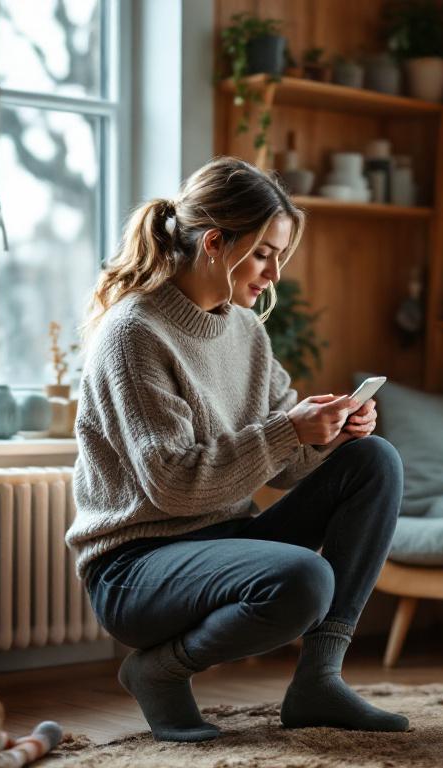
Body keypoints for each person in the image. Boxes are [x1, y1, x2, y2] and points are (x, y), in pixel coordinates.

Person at [67, 156, 408, 742]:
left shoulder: (245, 329)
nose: (273, 274)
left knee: (374, 461)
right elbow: (171, 485)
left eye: (279, 256)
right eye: (263, 253)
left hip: (223, 541)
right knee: (304, 580)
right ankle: (158, 671)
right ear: (216, 244)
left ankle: (319, 680)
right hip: (134, 568)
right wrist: (289, 430)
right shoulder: (134, 334)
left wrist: (330, 433)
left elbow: (286, 468)